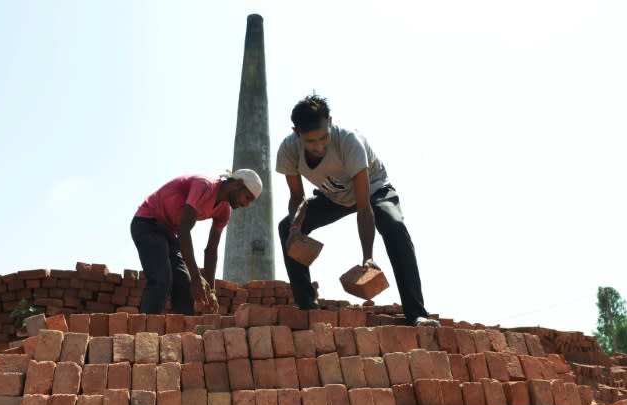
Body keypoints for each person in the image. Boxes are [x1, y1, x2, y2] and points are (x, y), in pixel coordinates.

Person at [276, 94, 439, 327]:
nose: (319, 146)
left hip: (372, 190)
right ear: (296, 133)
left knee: (394, 227)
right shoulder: (289, 150)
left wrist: (368, 257)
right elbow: (296, 198)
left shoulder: (350, 143)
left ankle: (416, 313)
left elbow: (364, 208)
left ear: (330, 122)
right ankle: (307, 306)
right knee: (286, 227)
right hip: (333, 196)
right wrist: (295, 229)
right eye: (310, 141)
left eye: (323, 137)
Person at [131, 169, 262, 315]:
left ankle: (181, 335)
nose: (246, 204)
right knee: (161, 279)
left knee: (184, 286)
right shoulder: (205, 186)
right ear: (238, 184)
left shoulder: (224, 211)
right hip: (147, 223)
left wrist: (211, 290)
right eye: (247, 197)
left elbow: (211, 250)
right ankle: (143, 333)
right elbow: (184, 230)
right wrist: (196, 276)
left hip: (169, 233)